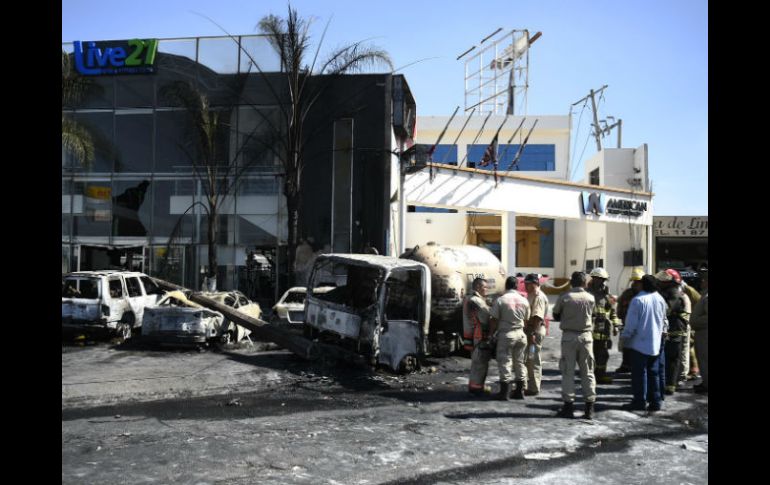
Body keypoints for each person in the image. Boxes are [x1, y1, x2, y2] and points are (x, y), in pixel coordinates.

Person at [620, 274, 668, 412]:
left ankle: (639, 401)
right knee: (654, 373)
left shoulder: (638, 300)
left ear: (643, 284)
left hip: (639, 343)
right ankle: (655, 401)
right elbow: (664, 320)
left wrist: (624, 338)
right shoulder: (660, 298)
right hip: (655, 342)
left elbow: (631, 324)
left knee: (639, 374)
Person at [553, 271, 597, 419]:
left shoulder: (565, 297)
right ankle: (589, 407)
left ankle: (568, 406)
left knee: (568, 372)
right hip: (586, 337)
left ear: (571, 282)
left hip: (569, 337)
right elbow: (593, 314)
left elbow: (556, 315)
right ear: (585, 283)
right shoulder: (590, 298)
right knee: (588, 372)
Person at [489, 276, 531, 400]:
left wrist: (491, 334)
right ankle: (519, 391)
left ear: (506, 286)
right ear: (517, 286)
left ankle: (504, 393)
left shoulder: (501, 300)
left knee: (505, 362)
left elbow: (494, 319)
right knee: (519, 362)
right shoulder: (524, 300)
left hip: (507, 335)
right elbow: (527, 320)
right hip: (521, 334)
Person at [656, 270, 691, 395]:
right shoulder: (666, 292)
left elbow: (667, 309)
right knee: (665, 357)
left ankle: (671, 384)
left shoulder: (674, 293)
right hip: (669, 329)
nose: (659, 283)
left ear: (669, 282)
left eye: (662, 281)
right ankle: (666, 382)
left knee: (672, 358)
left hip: (675, 330)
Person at [587, 268, 621, 384]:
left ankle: (600, 375)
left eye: (603, 280)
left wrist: (616, 325)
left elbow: (613, 313)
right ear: (593, 279)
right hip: (590, 330)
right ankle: (590, 376)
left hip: (604, 331)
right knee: (590, 354)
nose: (601, 282)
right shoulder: (587, 294)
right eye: (598, 279)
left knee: (603, 355)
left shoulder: (608, 296)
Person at [463, 278, 493, 396]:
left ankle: (476, 386)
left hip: (476, 335)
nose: (487, 289)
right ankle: (476, 388)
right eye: (485, 287)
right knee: (480, 363)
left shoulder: (471, 298)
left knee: (478, 363)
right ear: (478, 287)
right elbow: (486, 317)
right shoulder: (476, 301)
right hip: (479, 335)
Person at [615, 267, 646, 374]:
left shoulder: (646, 295)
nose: (636, 284)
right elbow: (619, 307)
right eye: (635, 282)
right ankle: (626, 365)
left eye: (638, 282)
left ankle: (637, 368)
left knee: (638, 349)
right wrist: (621, 315)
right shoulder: (627, 293)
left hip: (641, 327)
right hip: (627, 325)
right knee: (626, 347)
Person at [523, 273, 549, 396]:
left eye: (528, 284)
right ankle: (529, 385)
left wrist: (532, 334)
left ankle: (534, 388)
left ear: (535, 284)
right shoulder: (531, 295)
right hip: (531, 331)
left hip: (534, 331)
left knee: (533, 359)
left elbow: (537, 318)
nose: (525, 286)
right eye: (525, 284)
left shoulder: (538, 296)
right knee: (528, 359)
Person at [691, 271, 708, 394]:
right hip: (702, 332)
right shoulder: (704, 295)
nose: (702, 282)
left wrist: (696, 321)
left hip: (704, 333)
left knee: (704, 359)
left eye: (704, 280)